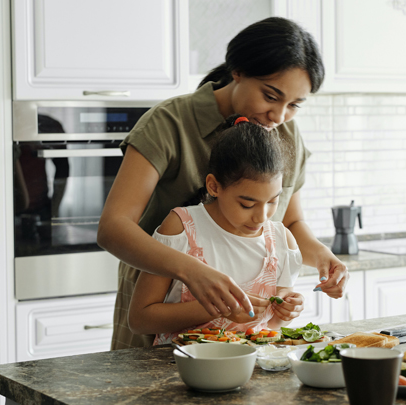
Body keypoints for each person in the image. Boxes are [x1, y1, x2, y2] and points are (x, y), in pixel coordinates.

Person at [98, 16, 350, 349]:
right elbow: (113, 227)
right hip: (160, 307)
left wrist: (321, 256)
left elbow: (289, 221)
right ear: (238, 71)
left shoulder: (285, 133)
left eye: (294, 105)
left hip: (243, 336)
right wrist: (192, 271)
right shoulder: (169, 123)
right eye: (270, 96)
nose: (279, 116)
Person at [128, 115, 304, 344]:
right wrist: (217, 308)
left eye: (273, 201)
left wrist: (286, 312)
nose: (262, 216)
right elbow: (140, 319)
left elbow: (272, 326)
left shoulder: (282, 242)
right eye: (247, 204)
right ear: (214, 186)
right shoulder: (181, 228)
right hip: (180, 370)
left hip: (252, 370)